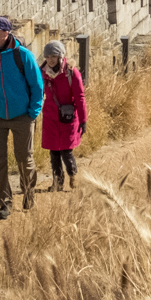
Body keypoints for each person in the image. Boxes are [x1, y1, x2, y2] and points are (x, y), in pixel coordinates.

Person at [0, 16, 44, 219]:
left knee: (25, 159)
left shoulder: (23, 56)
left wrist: (32, 112)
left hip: (23, 116)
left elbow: (37, 86)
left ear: (5, 33)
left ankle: (29, 195)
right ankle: (5, 204)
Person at [40, 40, 87, 192]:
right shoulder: (42, 72)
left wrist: (83, 119)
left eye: (53, 55)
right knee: (53, 152)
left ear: (61, 56)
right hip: (50, 117)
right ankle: (57, 183)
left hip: (68, 117)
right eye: (47, 56)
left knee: (66, 151)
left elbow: (80, 97)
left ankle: (73, 176)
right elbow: (37, 93)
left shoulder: (71, 73)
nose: (50, 59)